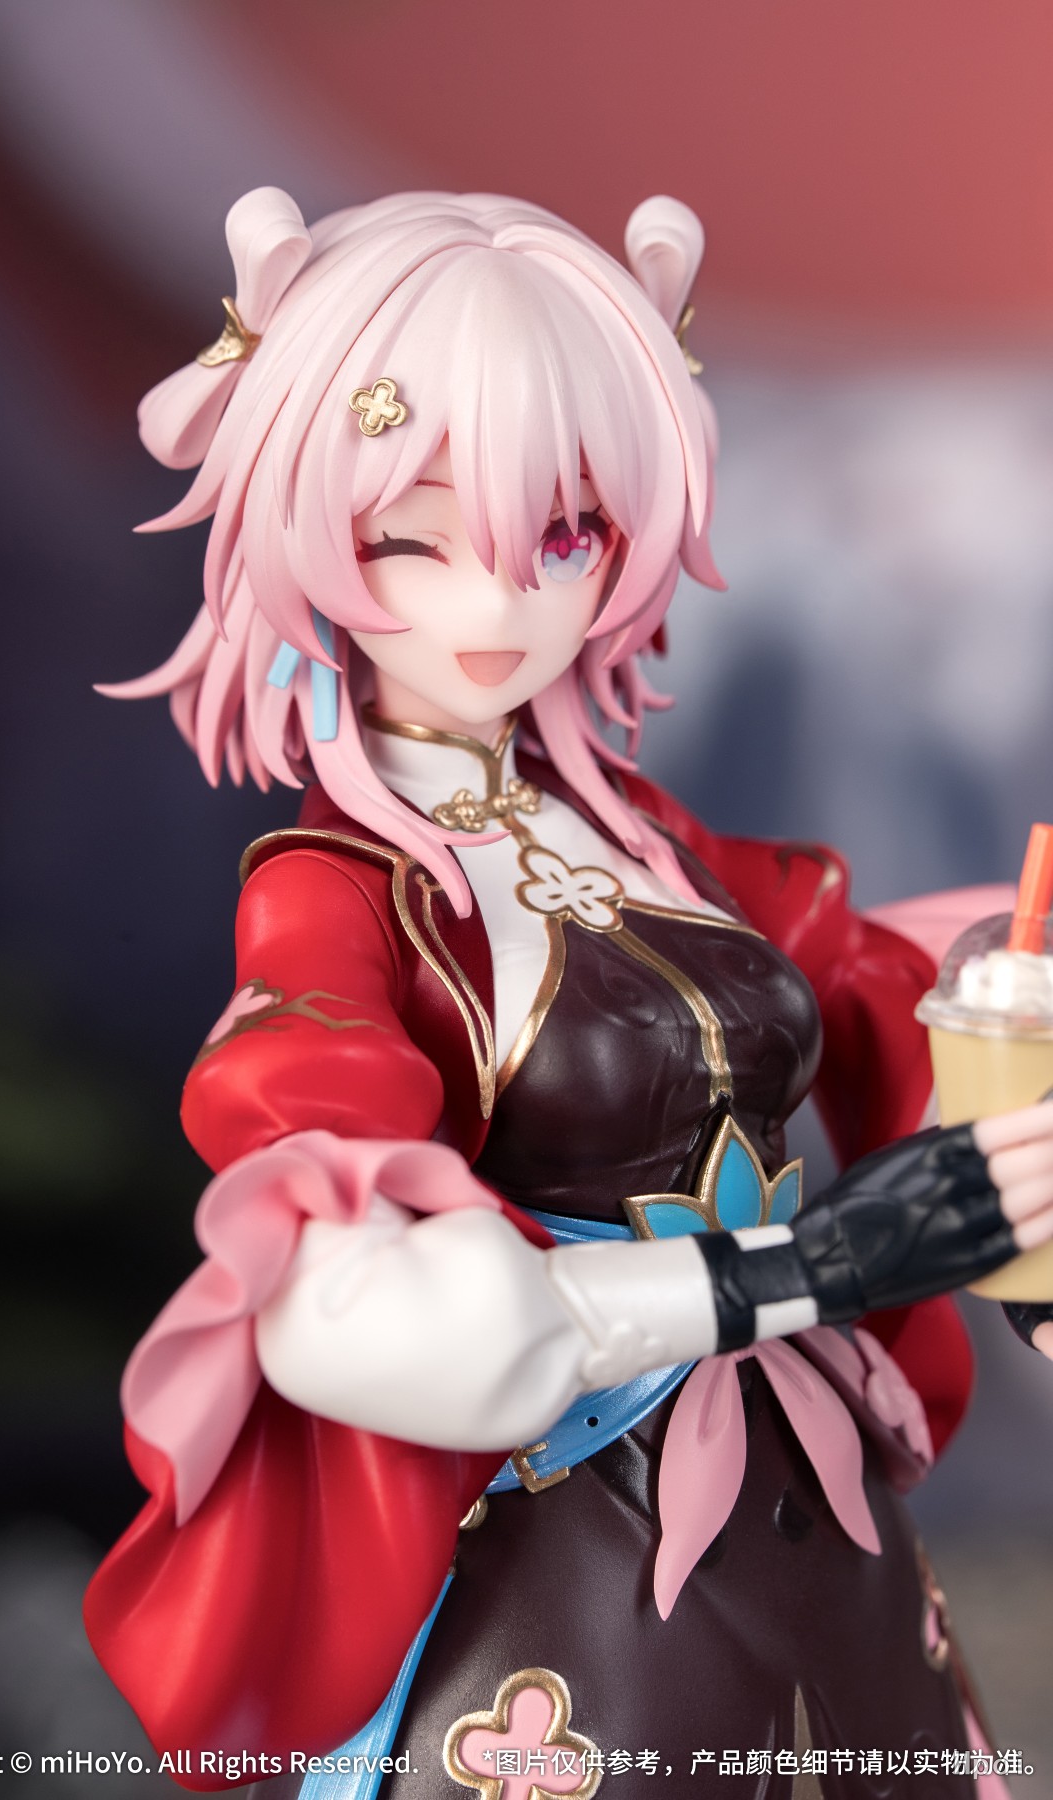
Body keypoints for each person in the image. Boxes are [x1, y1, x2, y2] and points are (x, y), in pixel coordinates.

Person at [85, 188, 1053, 1799]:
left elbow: (897, 998)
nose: (495, 606)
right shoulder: (341, 897)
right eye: (411, 536)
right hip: (569, 1567)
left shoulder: (648, 839)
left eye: (563, 534)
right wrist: (799, 1268)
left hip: (827, 1528)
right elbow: (340, 1303)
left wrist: (1012, 1155)